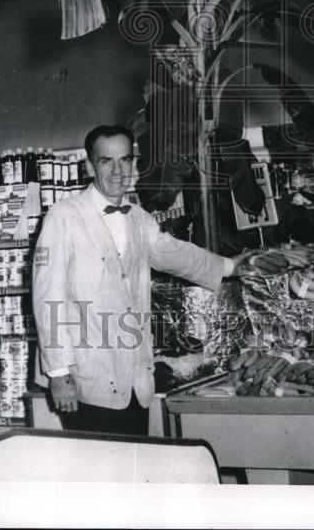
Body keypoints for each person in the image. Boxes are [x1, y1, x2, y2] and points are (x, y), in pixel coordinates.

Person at [31, 124, 250, 436]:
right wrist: (57, 372)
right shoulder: (63, 216)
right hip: (85, 380)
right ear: (90, 165)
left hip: (134, 380)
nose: (118, 171)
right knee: (100, 476)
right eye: (107, 161)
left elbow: (175, 254)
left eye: (125, 160)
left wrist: (229, 266)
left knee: (133, 471)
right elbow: (46, 297)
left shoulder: (138, 219)